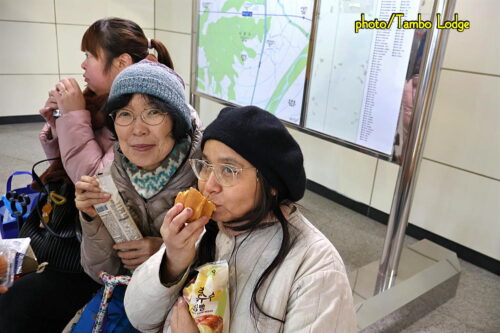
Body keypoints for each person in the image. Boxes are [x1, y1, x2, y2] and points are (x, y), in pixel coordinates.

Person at [0, 17, 175, 333]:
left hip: (100, 250)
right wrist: (57, 121)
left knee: (20, 306)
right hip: (76, 233)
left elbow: (99, 183)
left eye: (89, 55)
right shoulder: (100, 101)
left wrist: (73, 115)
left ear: (120, 63)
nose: (82, 65)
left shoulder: (143, 111)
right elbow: (65, 171)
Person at [124, 106, 357, 332]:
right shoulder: (200, 232)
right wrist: (172, 261)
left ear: (271, 183)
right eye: (205, 165)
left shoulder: (316, 267)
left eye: (228, 170)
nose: (209, 185)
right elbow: (139, 317)